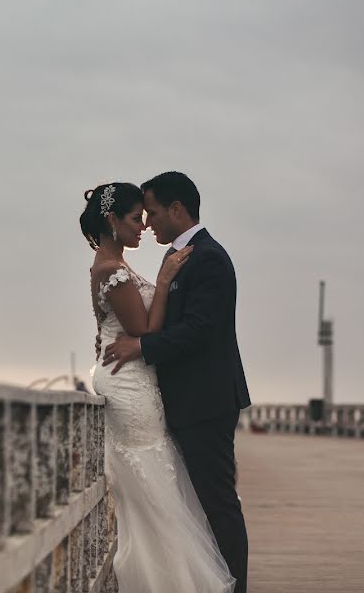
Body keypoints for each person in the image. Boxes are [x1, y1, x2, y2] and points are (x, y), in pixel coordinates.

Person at [82, 181, 235, 592]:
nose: (144, 225)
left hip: (150, 383)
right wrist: (163, 283)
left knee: (162, 488)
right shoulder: (110, 268)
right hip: (129, 387)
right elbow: (142, 328)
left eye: (147, 215)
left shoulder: (125, 264)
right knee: (153, 488)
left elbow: (149, 330)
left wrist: (132, 335)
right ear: (112, 221)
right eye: (136, 218)